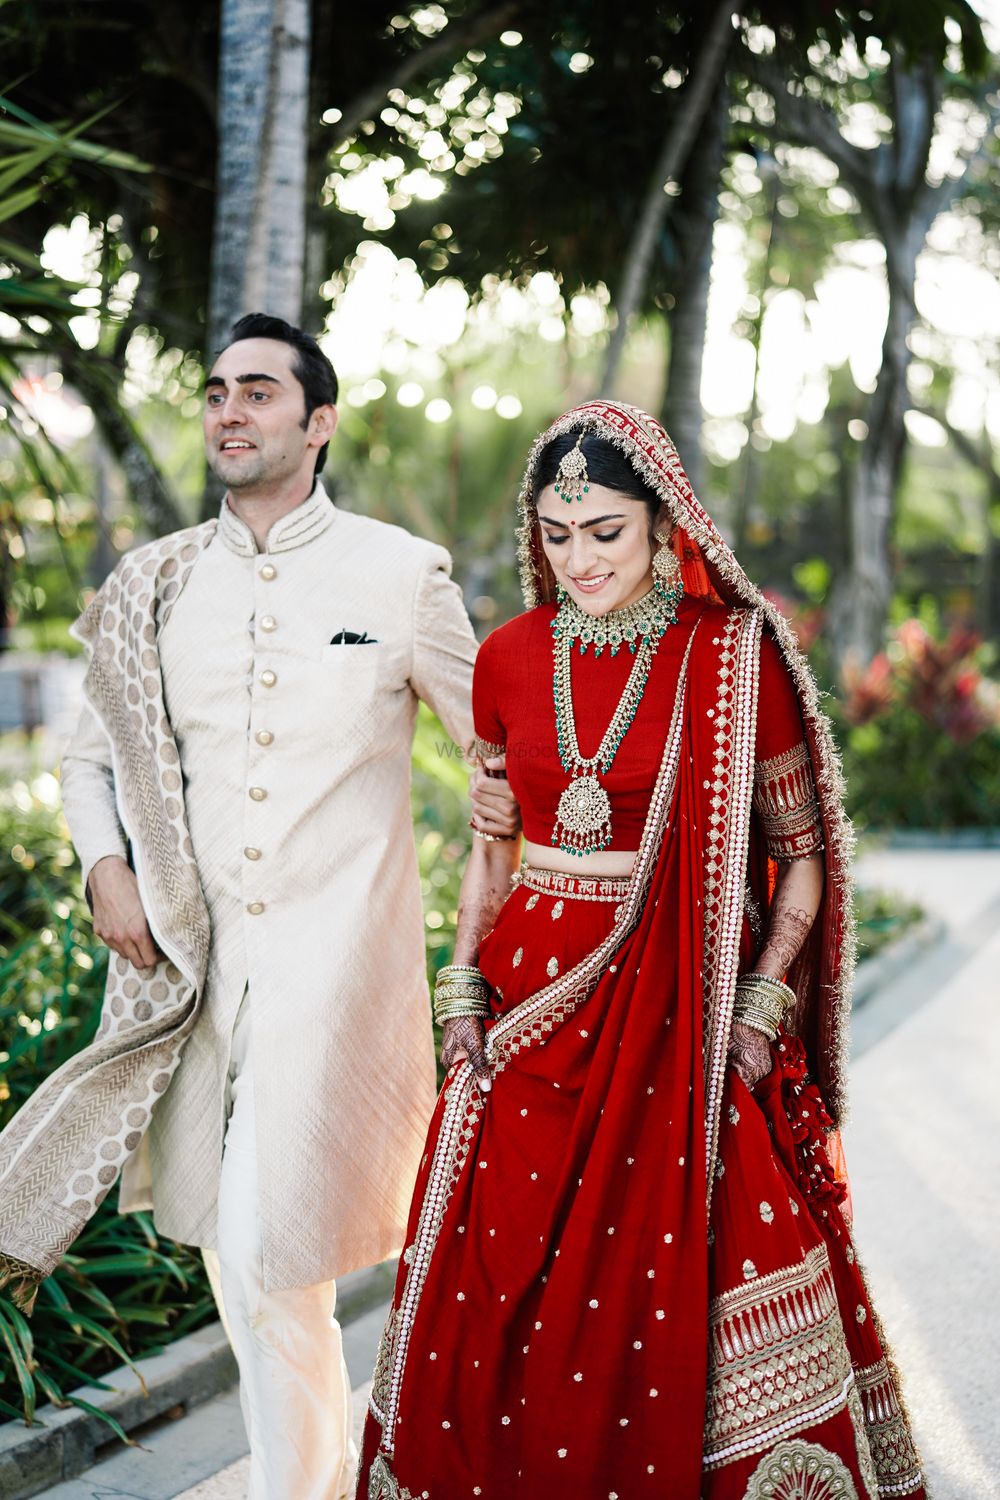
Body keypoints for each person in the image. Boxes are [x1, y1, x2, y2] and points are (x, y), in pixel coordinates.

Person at [357, 400, 926, 1500]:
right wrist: (460, 984)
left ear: (668, 529)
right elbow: (492, 847)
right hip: (523, 1017)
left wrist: (761, 1011)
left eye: (604, 533)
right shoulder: (511, 659)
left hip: (687, 1023)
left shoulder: (730, 658)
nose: (577, 559)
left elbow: (799, 857)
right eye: (556, 535)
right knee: (494, 1293)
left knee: (697, 1289)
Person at [0, 313, 518, 1500]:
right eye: (218, 393)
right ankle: (325, 1473)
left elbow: (497, 756)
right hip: (195, 972)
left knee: (261, 1238)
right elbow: (92, 759)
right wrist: (103, 869)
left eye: (261, 394)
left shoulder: (402, 574)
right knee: (252, 1255)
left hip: (340, 974)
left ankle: (304, 1485)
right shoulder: (157, 585)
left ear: (317, 422)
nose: (231, 411)